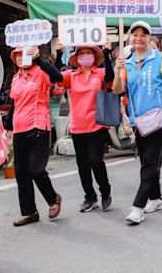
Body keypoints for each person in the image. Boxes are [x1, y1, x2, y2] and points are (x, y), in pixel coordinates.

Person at [113, 21, 162, 224]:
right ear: (129, 38)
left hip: (158, 119)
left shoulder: (159, 58)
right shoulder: (127, 61)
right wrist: (117, 71)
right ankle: (157, 198)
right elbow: (117, 90)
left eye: (144, 35)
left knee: (149, 164)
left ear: (149, 38)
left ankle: (137, 207)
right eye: (135, 34)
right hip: (138, 121)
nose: (139, 38)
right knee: (147, 162)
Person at [4, 46, 62, 226]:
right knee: (21, 173)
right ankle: (29, 212)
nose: (21, 58)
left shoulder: (41, 72)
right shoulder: (16, 78)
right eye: (17, 55)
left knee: (36, 170)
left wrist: (38, 59)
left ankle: (53, 199)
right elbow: (14, 103)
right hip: (20, 129)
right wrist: (9, 126)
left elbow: (58, 77)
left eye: (24, 54)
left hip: (38, 126)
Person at [55, 42, 114, 213]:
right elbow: (55, 77)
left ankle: (105, 191)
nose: (86, 56)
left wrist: (107, 52)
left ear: (95, 57)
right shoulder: (71, 75)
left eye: (90, 53)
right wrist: (59, 54)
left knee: (96, 160)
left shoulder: (101, 73)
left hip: (97, 125)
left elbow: (111, 78)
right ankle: (90, 197)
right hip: (77, 127)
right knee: (83, 165)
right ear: (76, 58)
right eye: (82, 53)